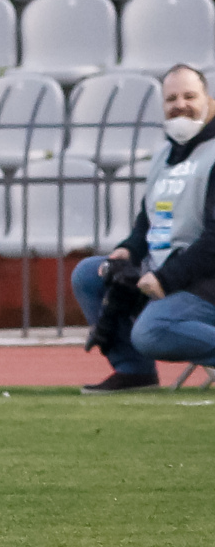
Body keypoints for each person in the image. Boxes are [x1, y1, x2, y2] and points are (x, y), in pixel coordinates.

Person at [73, 63, 215, 394]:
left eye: (190, 96)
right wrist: (129, 249)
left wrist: (166, 279)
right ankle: (134, 371)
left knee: (152, 332)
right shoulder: (164, 154)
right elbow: (148, 220)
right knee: (88, 274)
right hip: (171, 270)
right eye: (171, 98)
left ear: (208, 100)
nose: (180, 104)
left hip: (204, 279)